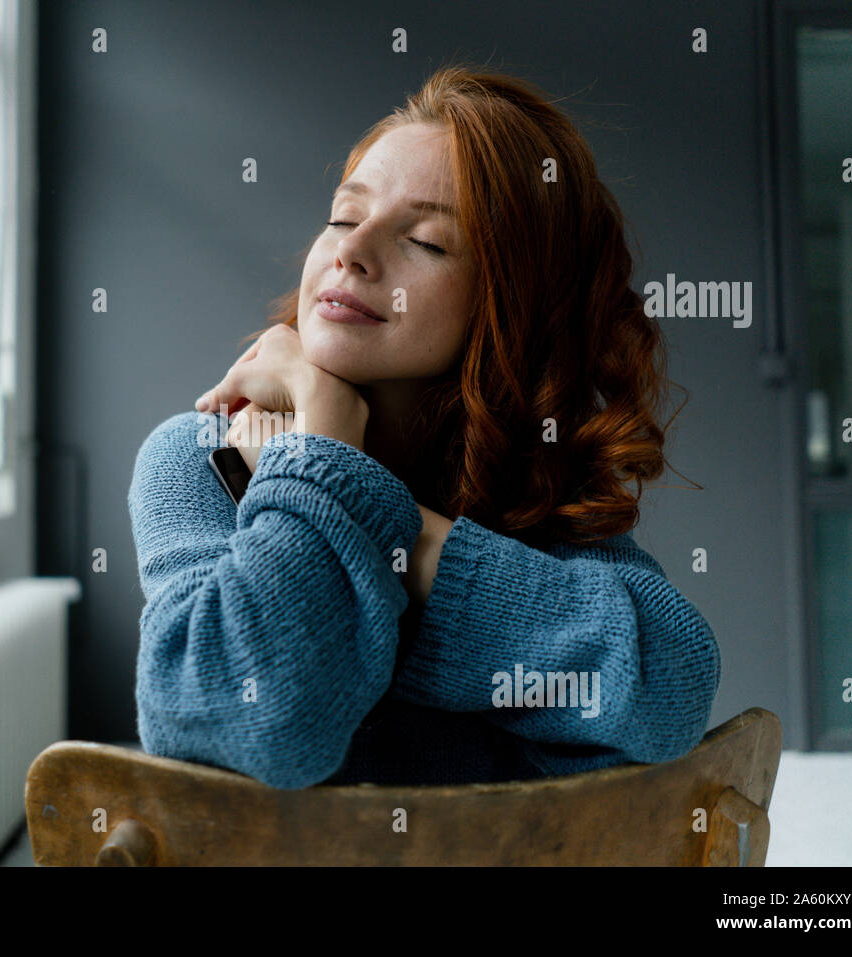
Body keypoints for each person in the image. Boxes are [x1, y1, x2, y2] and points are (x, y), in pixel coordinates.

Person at [127, 66, 720, 789]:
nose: (351, 250)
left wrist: (333, 475)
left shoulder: (540, 479)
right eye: (344, 217)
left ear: (512, 306)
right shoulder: (205, 454)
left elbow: (668, 686)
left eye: (429, 242)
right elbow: (237, 722)